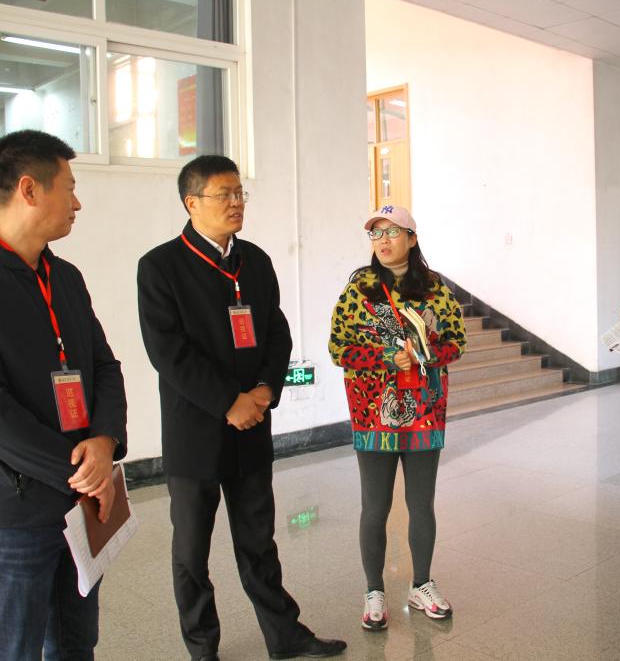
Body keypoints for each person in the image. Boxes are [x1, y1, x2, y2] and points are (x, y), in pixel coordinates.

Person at [0, 129, 128, 660]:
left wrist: (105, 440)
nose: (78, 203)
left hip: (80, 498)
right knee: (15, 649)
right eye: (70, 188)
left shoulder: (66, 278)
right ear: (29, 189)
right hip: (14, 509)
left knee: (76, 644)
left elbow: (104, 366)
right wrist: (81, 470)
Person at [137, 155, 346, 661]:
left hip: (252, 424)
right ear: (191, 203)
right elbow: (168, 352)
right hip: (195, 433)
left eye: (239, 194)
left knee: (259, 542)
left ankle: (286, 638)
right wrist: (228, 401)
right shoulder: (160, 266)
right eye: (223, 195)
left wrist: (266, 390)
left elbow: (276, 330)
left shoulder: (255, 260)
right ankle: (202, 647)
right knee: (191, 552)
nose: (236, 203)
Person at [328, 205, 466, 631]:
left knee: (421, 503)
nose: (383, 241)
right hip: (372, 413)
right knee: (375, 506)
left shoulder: (436, 289)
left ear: (412, 237)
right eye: (376, 234)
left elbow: (457, 342)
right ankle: (374, 590)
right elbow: (338, 349)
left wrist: (423, 353)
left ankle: (421, 584)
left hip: (425, 410)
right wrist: (386, 357)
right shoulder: (359, 290)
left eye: (392, 232)